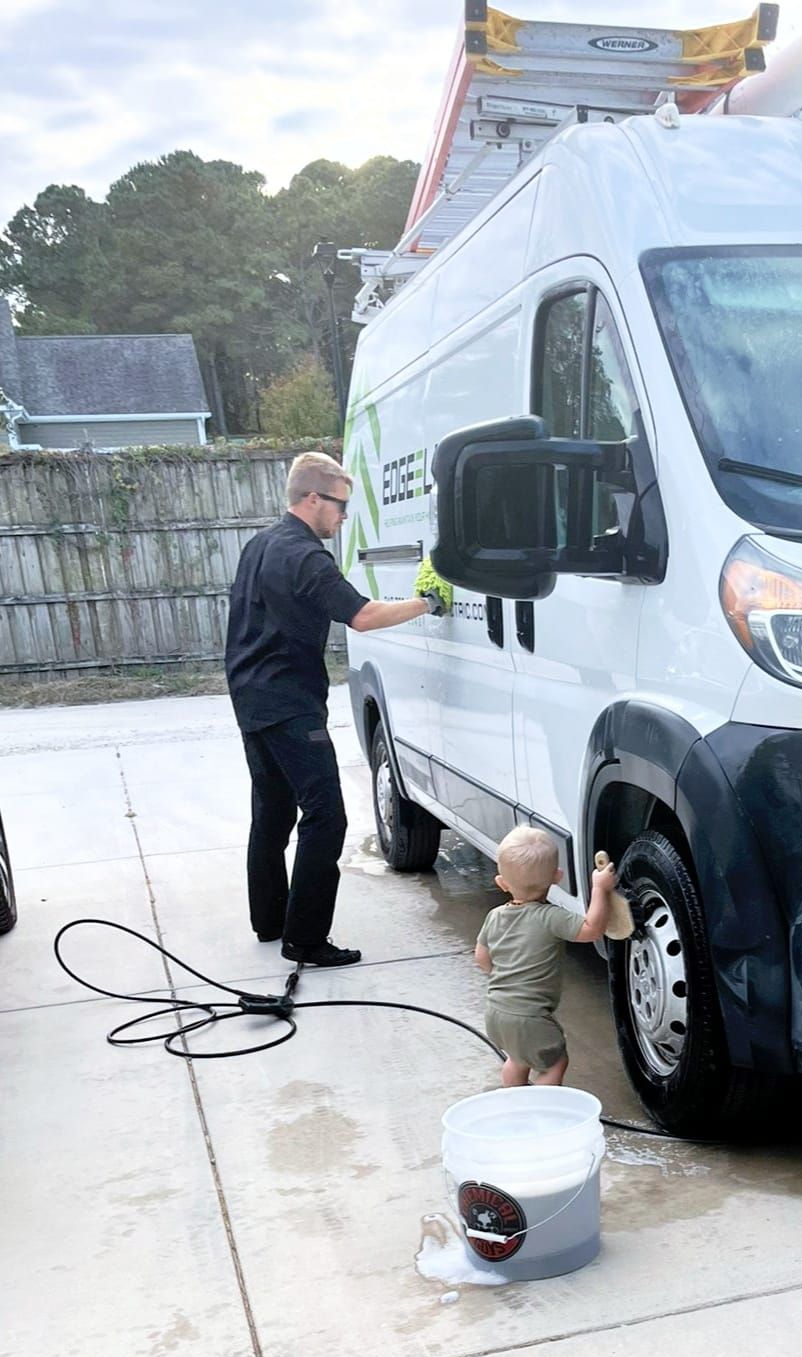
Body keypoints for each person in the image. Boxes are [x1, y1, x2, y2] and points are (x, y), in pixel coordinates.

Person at [224, 450, 448, 968]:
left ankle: (270, 921)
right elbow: (362, 617)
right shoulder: (305, 555)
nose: (343, 516)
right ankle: (304, 939)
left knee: (273, 810)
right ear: (311, 499)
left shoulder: (259, 545)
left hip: (251, 697)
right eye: (340, 505)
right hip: (289, 704)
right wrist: (426, 604)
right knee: (326, 817)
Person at [474, 825, 618, 1085]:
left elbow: (482, 958)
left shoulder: (494, 917)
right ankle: (539, 1112)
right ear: (557, 876)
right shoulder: (550, 918)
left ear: (502, 883)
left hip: (495, 1012)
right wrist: (600, 889)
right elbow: (593, 929)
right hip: (530, 1018)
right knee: (555, 1063)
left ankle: (514, 1103)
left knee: (517, 1059)